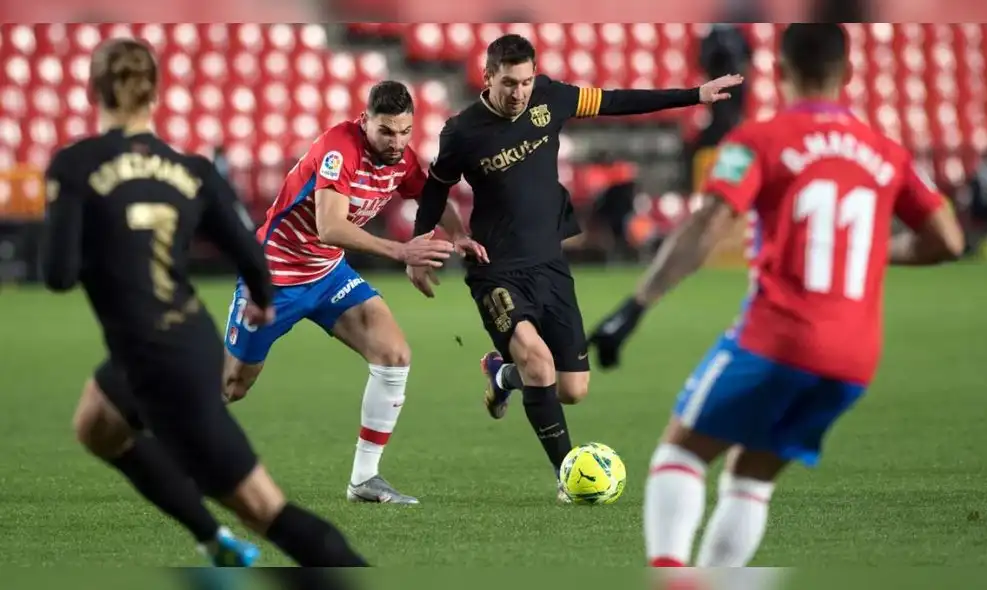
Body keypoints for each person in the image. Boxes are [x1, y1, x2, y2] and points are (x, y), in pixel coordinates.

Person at [587, 23, 965, 568]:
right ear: (850, 73)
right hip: (855, 360)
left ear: (780, 72)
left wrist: (637, 304)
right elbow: (949, 240)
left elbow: (711, 222)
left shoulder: (760, 140)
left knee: (682, 452)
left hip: (779, 337)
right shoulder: (886, 152)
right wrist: (873, 255)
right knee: (750, 476)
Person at [43, 37, 367, 572]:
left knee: (266, 507)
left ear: (93, 90)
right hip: (182, 338)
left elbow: (56, 275)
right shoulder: (192, 169)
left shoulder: (76, 165)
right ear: (157, 93)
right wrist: (262, 300)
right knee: (96, 425)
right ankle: (213, 540)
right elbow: (250, 252)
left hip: (158, 359)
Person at [410, 33, 742, 501]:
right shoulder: (461, 132)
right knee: (538, 361)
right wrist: (422, 247)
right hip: (495, 269)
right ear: (487, 78)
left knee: (572, 389)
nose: (519, 92)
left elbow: (616, 101)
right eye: (509, 82)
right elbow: (434, 188)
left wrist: (695, 95)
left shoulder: (551, 97)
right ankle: (568, 477)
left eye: (525, 81)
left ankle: (501, 375)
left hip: (550, 264)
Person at [221, 80, 486, 505]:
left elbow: (430, 197)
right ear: (365, 122)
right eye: (387, 131)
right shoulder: (338, 149)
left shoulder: (401, 159)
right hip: (275, 277)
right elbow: (330, 227)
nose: (397, 142)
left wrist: (460, 236)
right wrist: (401, 249)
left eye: (404, 131)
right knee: (232, 386)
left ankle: (364, 479)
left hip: (327, 275)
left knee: (395, 355)